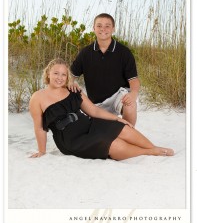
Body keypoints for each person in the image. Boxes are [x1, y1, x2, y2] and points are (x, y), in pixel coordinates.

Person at [29, 58, 174, 160]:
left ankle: (154, 147)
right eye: (55, 73)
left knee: (123, 128)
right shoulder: (37, 98)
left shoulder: (73, 90)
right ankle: (149, 152)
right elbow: (39, 128)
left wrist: (118, 119)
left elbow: (94, 111)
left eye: (63, 74)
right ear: (48, 73)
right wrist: (42, 150)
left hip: (89, 125)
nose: (59, 77)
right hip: (71, 140)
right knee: (115, 145)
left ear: (67, 77)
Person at [70, 13, 140, 127]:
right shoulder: (85, 53)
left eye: (107, 26)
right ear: (93, 28)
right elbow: (71, 75)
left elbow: (134, 80)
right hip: (96, 104)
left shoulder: (124, 52)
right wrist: (71, 82)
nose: (103, 29)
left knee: (130, 105)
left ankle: (130, 134)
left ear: (113, 29)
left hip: (119, 96)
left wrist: (133, 93)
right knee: (101, 136)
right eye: (99, 25)